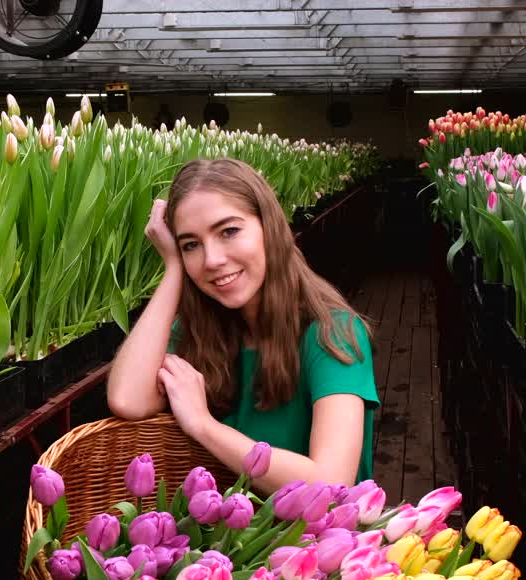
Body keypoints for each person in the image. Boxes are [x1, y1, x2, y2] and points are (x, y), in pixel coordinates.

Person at [107, 158, 378, 494]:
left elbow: (329, 482)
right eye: (191, 244)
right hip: (225, 539)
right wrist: (174, 269)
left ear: (269, 227)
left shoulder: (331, 333)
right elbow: (127, 399)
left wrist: (203, 425)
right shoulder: (200, 332)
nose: (212, 260)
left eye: (229, 231)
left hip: (320, 541)